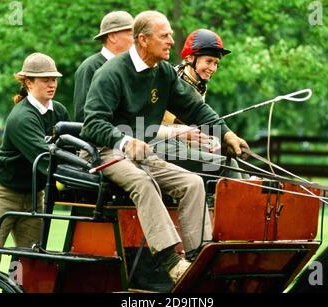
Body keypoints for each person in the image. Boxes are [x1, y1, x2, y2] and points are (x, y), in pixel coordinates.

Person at [80, 10, 249, 283]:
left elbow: (195, 108)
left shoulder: (164, 73)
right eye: (165, 35)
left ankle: (199, 259)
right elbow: (92, 124)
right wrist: (124, 140)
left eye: (170, 35)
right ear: (144, 40)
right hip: (107, 151)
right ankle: (172, 262)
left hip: (145, 152)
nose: (172, 41)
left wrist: (226, 133)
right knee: (144, 183)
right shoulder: (110, 72)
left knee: (193, 183)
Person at [0, 53, 70, 271]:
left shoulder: (60, 112)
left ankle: (16, 287)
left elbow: (69, 149)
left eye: (54, 79)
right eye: (45, 79)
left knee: (30, 259)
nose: (52, 84)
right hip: (3, 193)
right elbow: (48, 160)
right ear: (28, 82)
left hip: (34, 193)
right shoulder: (22, 117)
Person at [157, 29, 244, 181]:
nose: (212, 68)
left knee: (235, 164)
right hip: (160, 146)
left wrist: (214, 138)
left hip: (181, 146)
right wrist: (191, 134)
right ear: (190, 58)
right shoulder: (174, 81)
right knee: (228, 167)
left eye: (216, 63)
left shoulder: (199, 84)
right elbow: (156, 124)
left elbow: (197, 119)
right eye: (208, 61)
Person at [73, 11, 134, 123]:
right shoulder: (89, 67)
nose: (136, 40)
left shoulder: (132, 67)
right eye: (131, 35)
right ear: (112, 37)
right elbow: (83, 116)